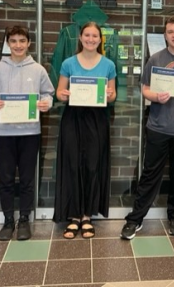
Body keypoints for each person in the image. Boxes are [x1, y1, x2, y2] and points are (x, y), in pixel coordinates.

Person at [120, 15, 174, 240]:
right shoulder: (155, 60)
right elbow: (145, 89)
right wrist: (155, 97)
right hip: (158, 127)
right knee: (150, 175)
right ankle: (135, 219)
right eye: (170, 32)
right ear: (165, 35)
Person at [0, 25, 54, 241]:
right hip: (4, 133)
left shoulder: (38, 69)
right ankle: (7, 221)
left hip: (30, 133)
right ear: (8, 43)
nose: (18, 45)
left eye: (22, 41)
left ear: (28, 43)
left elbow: (48, 93)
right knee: (6, 178)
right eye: (13, 41)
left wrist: (45, 103)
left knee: (27, 178)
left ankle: (24, 219)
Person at [53, 21, 116, 239]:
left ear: (100, 39)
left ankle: (87, 215)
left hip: (97, 119)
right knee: (72, 164)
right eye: (87, 35)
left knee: (92, 166)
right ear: (80, 38)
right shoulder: (69, 63)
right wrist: (63, 95)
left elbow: (113, 95)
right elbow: (59, 91)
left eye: (95, 36)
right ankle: (73, 216)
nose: (90, 39)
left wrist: (109, 95)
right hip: (73, 118)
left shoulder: (108, 65)